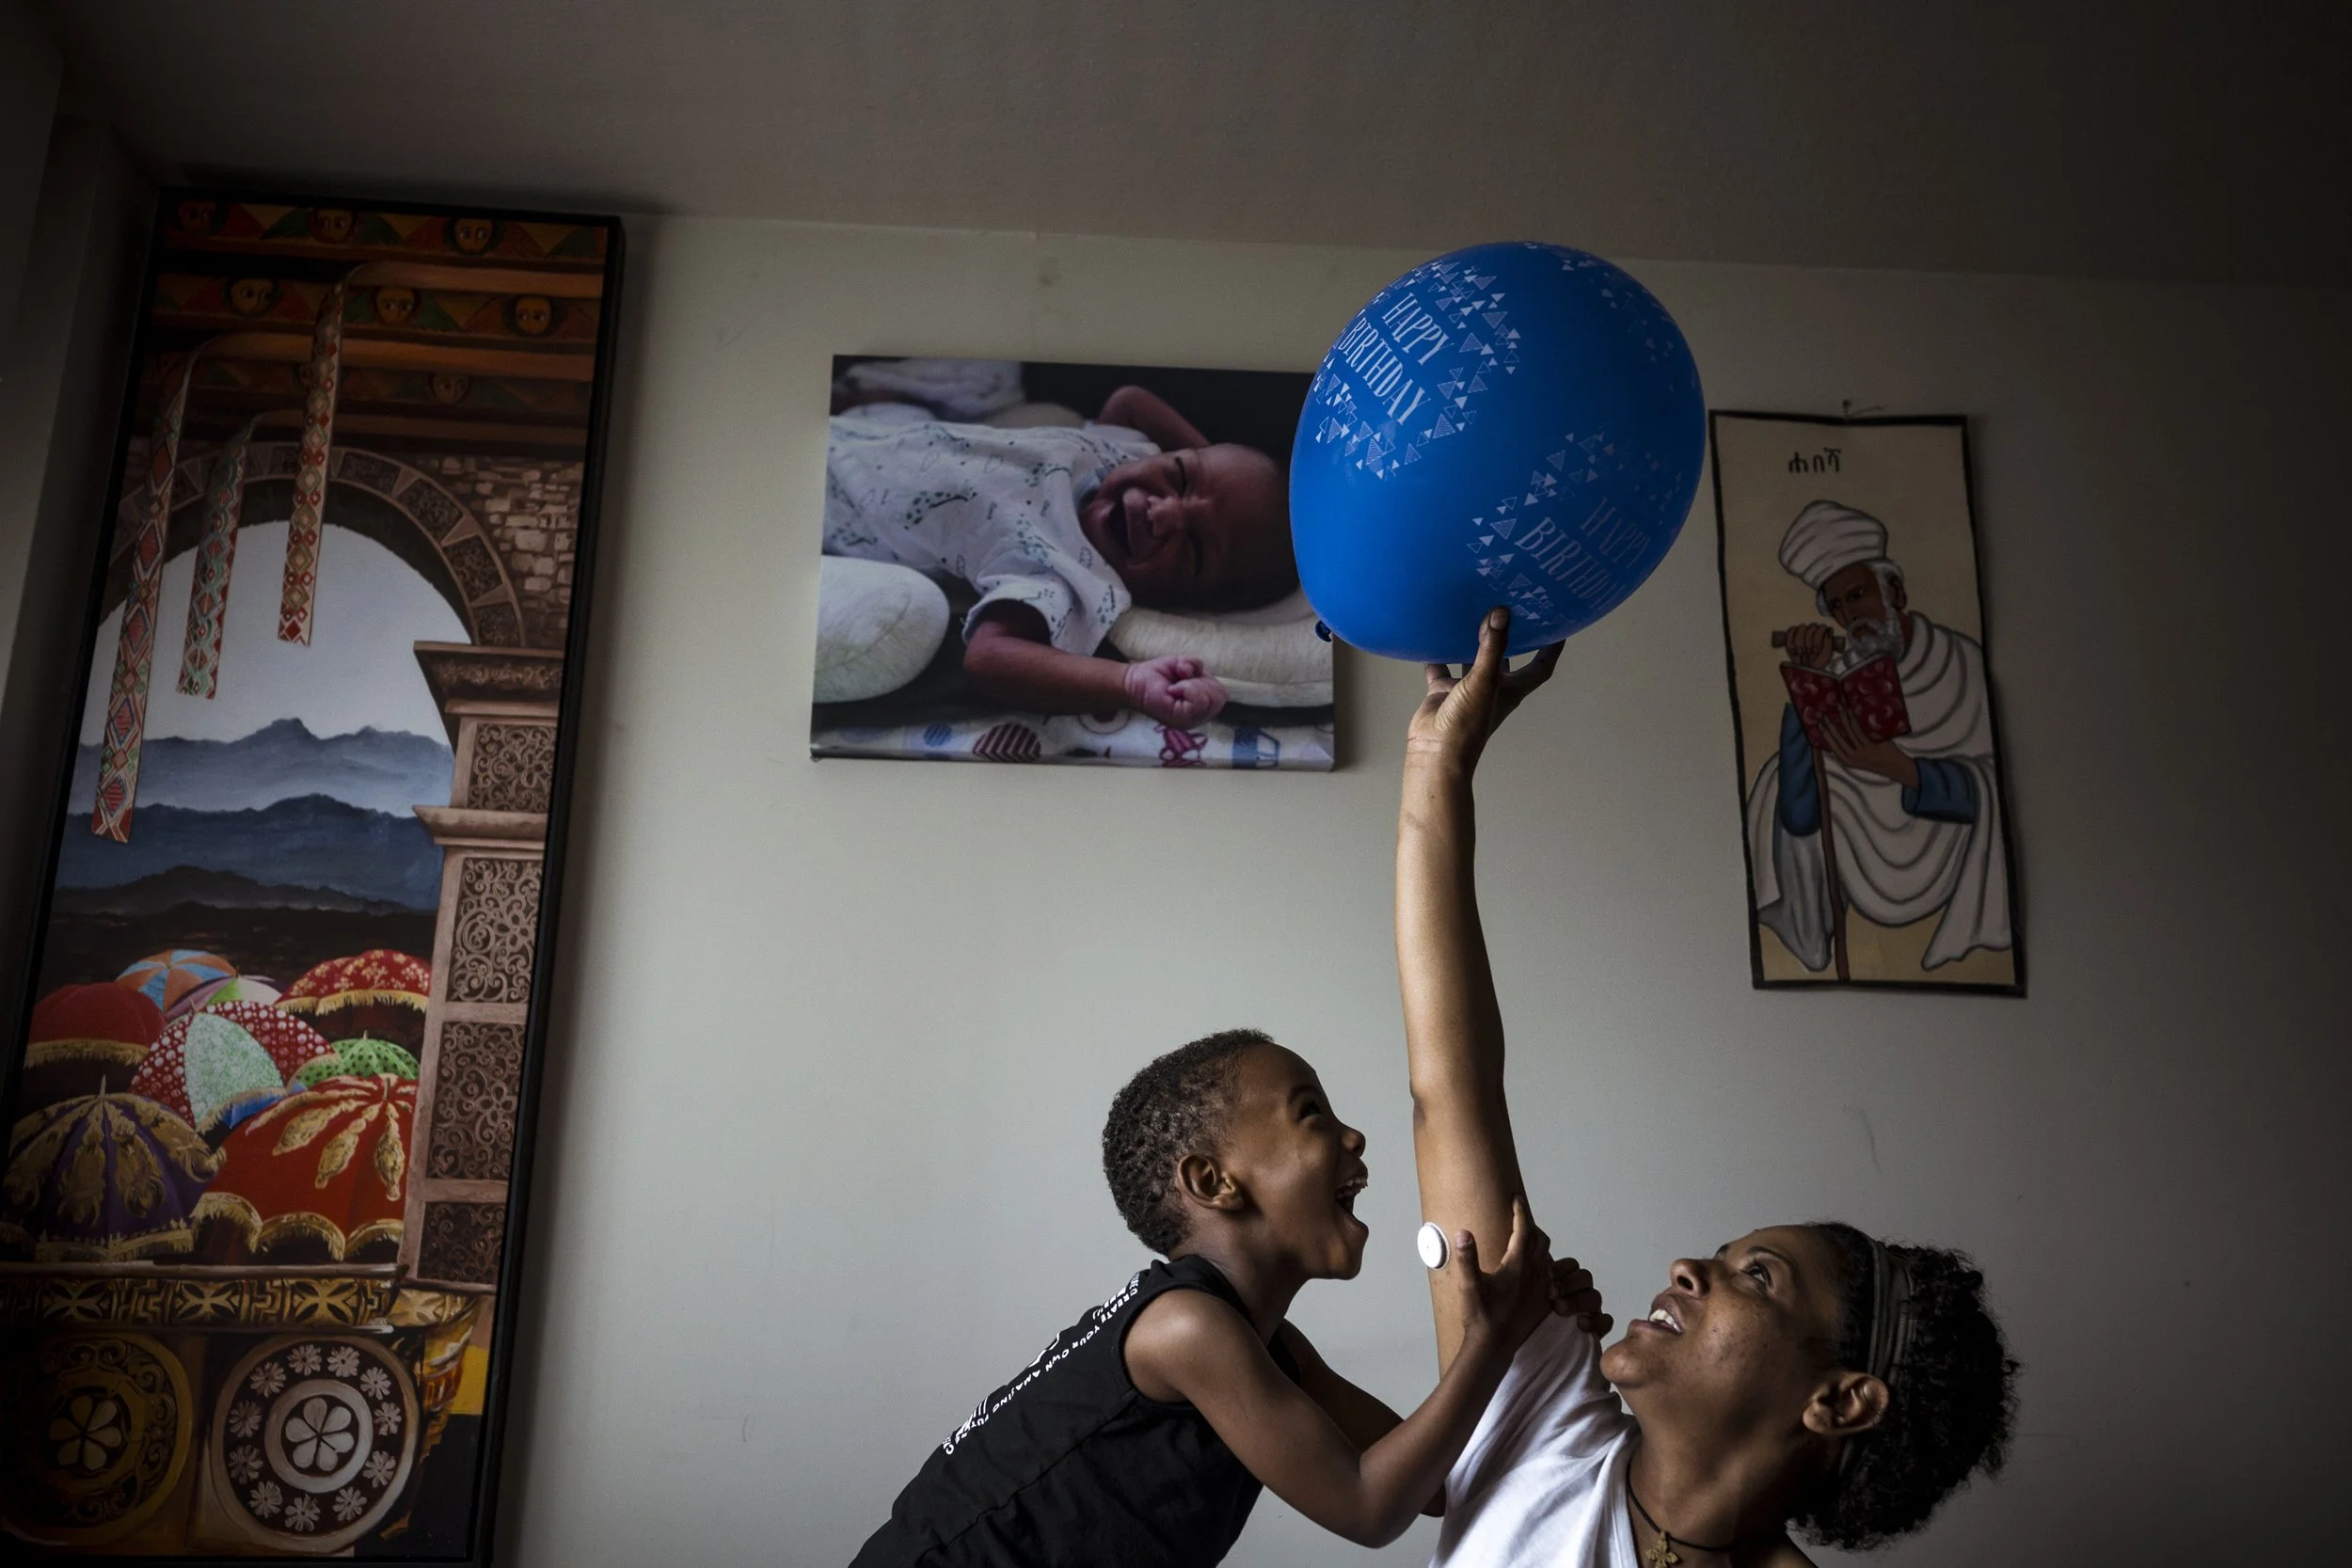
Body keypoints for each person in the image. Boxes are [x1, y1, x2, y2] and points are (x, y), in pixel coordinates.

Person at [1399, 608, 2018, 1565]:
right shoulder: (1537, 1418)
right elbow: (1453, 1089)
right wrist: (1437, 768)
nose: (1690, 1264)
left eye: (1755, 1275)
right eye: (1732, 1255)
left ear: (1839, 1398)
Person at [849, 1028, 1613, 1567]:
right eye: (1312, 1112)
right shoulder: (1184, 1329)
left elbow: (1433, 1486)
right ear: (1213, 1182)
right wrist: (1491, 1340)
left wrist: (1533, 1333)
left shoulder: (1268, 1348)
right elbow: (1368, 1506)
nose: (1355, 1137)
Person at [823, 379, 1297, 728]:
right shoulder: (1124, 451)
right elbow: (1130, 399)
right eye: (1180, 477)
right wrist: (1212, 464)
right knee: (985, 380)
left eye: (1194, 547)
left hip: (830, 506)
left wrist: (1129, 683)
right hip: (864, 433)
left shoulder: (1072, 578)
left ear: (1181, 599)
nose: (1166, 514)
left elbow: (988, 659)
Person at [1743, 500, 2012, 973]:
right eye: (1839, 605)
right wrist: (1810, 677)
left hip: (1943, 844)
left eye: (1859, 594)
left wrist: (1902, 770)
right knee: (1775, 779)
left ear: (1895, 590)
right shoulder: (1841, 678)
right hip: (1857, 840)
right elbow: (1801, 813)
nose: (1852, 614)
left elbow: (1995, 790)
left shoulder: (1961, 664)